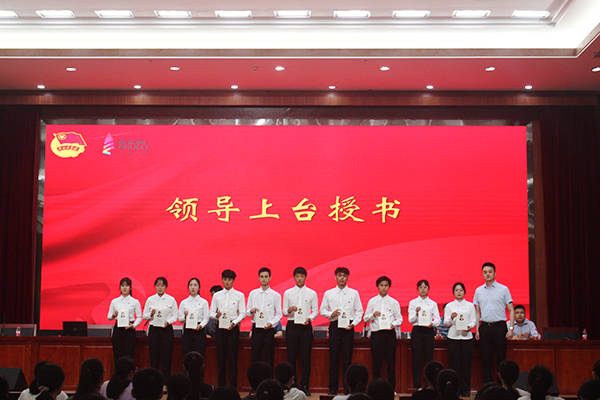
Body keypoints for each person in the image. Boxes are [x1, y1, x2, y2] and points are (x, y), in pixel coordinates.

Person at [320, 267, 364, 395]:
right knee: (334, 359)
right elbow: (322, 310)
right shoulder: (329, 293)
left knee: (347, 360)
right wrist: (331, 314)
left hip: (348, 327)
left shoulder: (354, 293)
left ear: (348, 278)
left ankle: (348, 389)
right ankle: (332, 388)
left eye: (344, 276)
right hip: (334, 326)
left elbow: (359, 311)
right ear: (335, 277)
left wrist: (353, 324)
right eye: (339, 275)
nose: (342, 278)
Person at [474, 262, 515, 383]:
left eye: (490, 272)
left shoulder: (503, 289)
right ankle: (487, 386)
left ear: (495, 273)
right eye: (485, 272)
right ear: (482, 274)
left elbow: (511, 310)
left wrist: (511, 328)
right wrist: (477, 330)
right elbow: (477, 312)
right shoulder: (478, 291)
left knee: (501, 358)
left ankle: (501, 386)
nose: (487, 274)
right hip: (485, 327)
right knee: (485, 359)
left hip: (499, 327)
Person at [282, 267, 318, 396]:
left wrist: (310, 318)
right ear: (294, 277)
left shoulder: (312, 293)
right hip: (292, 325)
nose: (299, 279)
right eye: (297, 276)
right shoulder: (288, 293)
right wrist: (289, 310)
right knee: (291, 357)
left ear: (305, 277)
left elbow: (315, 311)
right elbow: (284, 312)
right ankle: (293, 385)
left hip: (305, 326)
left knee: (306, 358)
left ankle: (305, 385)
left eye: (302, 276)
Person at [363, 276, 402, 389]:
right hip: (376, 334)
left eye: (386, 285)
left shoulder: (394, 302)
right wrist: (373, 315)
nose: (384, 288)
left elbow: (400, 319)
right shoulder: (372, 301)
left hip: (389, 334)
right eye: (381, 285)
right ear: (377, 287)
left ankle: (392, 388)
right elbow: (365, 318)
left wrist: (393, 324)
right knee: (376, 362)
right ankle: (375, 388)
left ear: (389, 287)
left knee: (391, 362)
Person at [210, 269, 246, 387]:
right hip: (220, 328)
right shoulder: (217, 295)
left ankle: (233, 386)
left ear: (233, 281)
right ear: (222, 280)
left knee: (233, 359)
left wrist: (234, 323)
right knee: (221, 358)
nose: (227, 282)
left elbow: (242, 313)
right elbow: (211, 312)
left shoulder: (239, 295)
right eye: (225, 279)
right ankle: (221, 385)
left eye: (229, 279)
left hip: (232, 328)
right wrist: (217, 315)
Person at [444, 282, 476, 397]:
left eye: (461, 290)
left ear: (464, 292)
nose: (459, 292)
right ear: (453, 292)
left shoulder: (470, 306)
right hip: (453, 337)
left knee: (466, 365)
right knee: (455, 365)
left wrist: (469, 326)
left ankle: (465, 389)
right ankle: (455, 389)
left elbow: (473, 320)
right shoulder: (449, 306)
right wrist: (451, 318)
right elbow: (446, 323)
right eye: (456, 290)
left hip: (467, 338)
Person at [143, 277, 178, 379]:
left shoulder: (171, 299)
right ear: (155, 287)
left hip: (166, 329)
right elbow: (145, 316)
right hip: (154, 329)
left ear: (166, 287)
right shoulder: (150, 299)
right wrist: (151, 314)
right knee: (154, 357)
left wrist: (168, 322)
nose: (160, 288)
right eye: (158, 285)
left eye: (162, 285)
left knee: (167, 357)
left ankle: (166, 382)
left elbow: (175, 315)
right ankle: (154, 381)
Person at [408, 279, 440, 389]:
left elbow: (438, 320)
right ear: (417, 289)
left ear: (428, 289)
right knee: (416, 359)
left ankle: (429, 385)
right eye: (420, 287)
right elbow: (411, 320)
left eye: (425, 287)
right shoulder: (413, 303)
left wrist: (432, 324)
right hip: (417, 331)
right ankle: (417, 385)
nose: (423, 289)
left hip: (428, 331)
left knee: (429, 359)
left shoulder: (433, 304)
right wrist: (417, 314)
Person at [247, 268, 282, 366]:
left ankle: (269, 376)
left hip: (268, 330)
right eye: (262, 277)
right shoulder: (253, 294)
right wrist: (251, 311)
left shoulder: (275, 295)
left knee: (269, 357)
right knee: (255, 357)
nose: (264, 279)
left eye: (266, 277)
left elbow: (279, 314)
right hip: (256, 329)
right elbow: (247, 312)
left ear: (270, 278)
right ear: (258, 278)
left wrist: (271, 323)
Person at [107, 277, 142, 363]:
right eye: (122, 286)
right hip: (118, 329)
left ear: (130, 288)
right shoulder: (114, 301)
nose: (125, 288)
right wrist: (113, 315)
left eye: (127, 285)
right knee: (117, 354)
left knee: (129, 355)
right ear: (120, 288)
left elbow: (139, 317)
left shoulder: (135, 302)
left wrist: (133, 326)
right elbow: (109, 317)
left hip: (129, 329)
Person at [179, 278, 210, 358]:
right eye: (191, 285)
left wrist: (201, 325)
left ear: (199, 287)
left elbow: (206, 318)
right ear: (188, 287)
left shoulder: (204, 302)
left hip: (199, 330)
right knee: (187, 355)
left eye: (195, 285)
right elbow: (180, 319)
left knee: (199, 355)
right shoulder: (183, 302)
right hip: (187, 330)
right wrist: (185, 316)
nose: (193, 287)